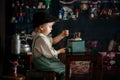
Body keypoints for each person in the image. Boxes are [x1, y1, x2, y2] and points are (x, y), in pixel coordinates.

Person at [32, 11, 69, 80]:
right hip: (43, 63)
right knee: (66, 69)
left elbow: (51, 42)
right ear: (41, 27)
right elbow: (50, 54)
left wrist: (62, 35)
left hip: (42, 62)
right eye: (50, 26)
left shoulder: (40, 36)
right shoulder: (41, 38)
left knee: (63, 67)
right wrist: (60, 51)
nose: (51, 29)